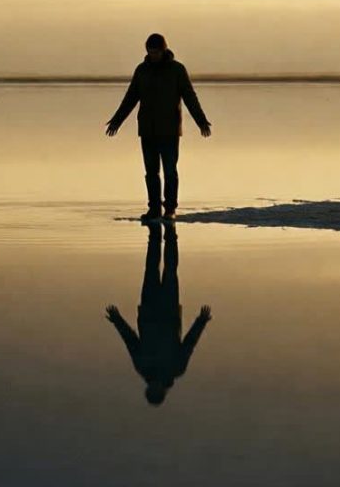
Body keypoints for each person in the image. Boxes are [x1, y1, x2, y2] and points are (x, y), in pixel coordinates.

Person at [104, 33, 211, 221]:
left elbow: (189, 97)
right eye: (150, 52)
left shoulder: (177, 70)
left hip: (169, 130)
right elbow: (130, 98)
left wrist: (201, 120)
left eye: (156, 52)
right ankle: (154, 208)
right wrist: (116, 121)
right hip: (147, 130)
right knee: (151, 172)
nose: (153, 55)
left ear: (163, 50)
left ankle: (170, 209)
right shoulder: (142, 71)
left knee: (170, 170)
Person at [105, 223, 211, 406]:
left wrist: (117, 320)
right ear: (163, 391)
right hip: (169, 312)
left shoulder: (142, 367)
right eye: (155, 391)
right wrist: (201, 322)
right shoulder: (176, 368)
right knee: (170, 271)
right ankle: (171, 235)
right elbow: (189, 344)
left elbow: (130, 340)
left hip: (148, 310)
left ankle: (154, 236)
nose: (153, 387)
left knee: (150, 270)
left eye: (150, 390)